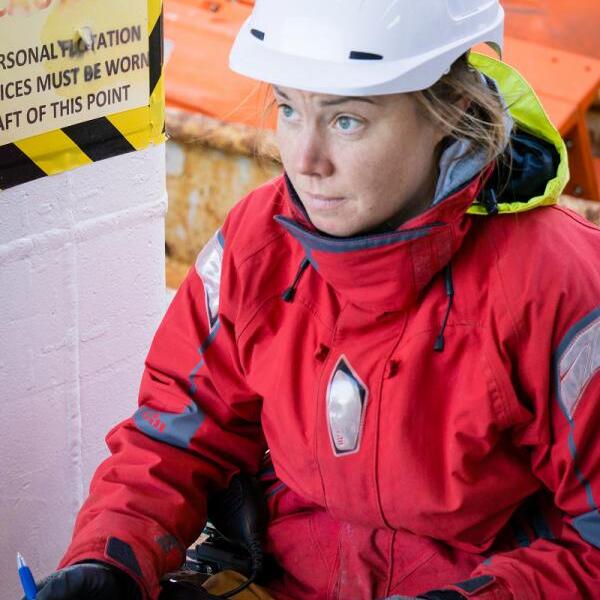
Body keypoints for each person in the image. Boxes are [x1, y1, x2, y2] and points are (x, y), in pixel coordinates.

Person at [28, 1, 600, 599]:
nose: (304, 161)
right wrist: (109, 557)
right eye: (288, 109)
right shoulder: (259, 241)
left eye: (346, 120)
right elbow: (178, 431)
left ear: (450, 111)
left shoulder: (557, 285)